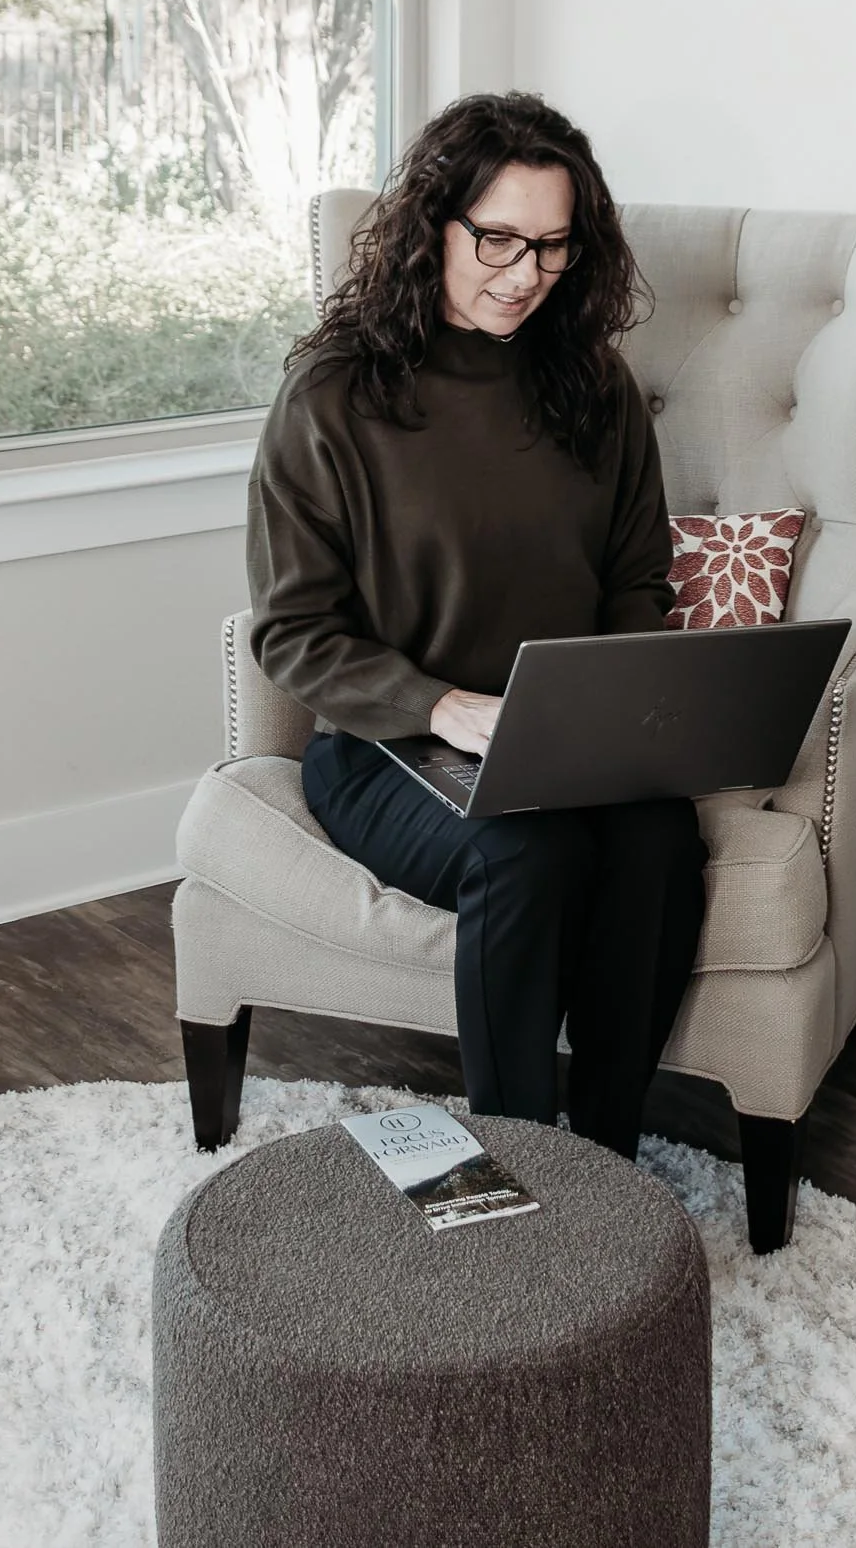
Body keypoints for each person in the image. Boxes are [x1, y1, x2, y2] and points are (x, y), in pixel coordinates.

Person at [247, 90, 706, 1160]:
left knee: (656, 841)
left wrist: (619, 717)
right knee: (529, 851)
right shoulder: (332, 398)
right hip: (389, 750)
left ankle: (601, 1158)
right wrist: (442, 708)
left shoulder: (592, 387)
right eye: (495, 237)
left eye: (551, 245)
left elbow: (635, 580)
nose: (522, 272)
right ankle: (516, 1157)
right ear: (431, 225)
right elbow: (294, 634)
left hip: (565, 739)